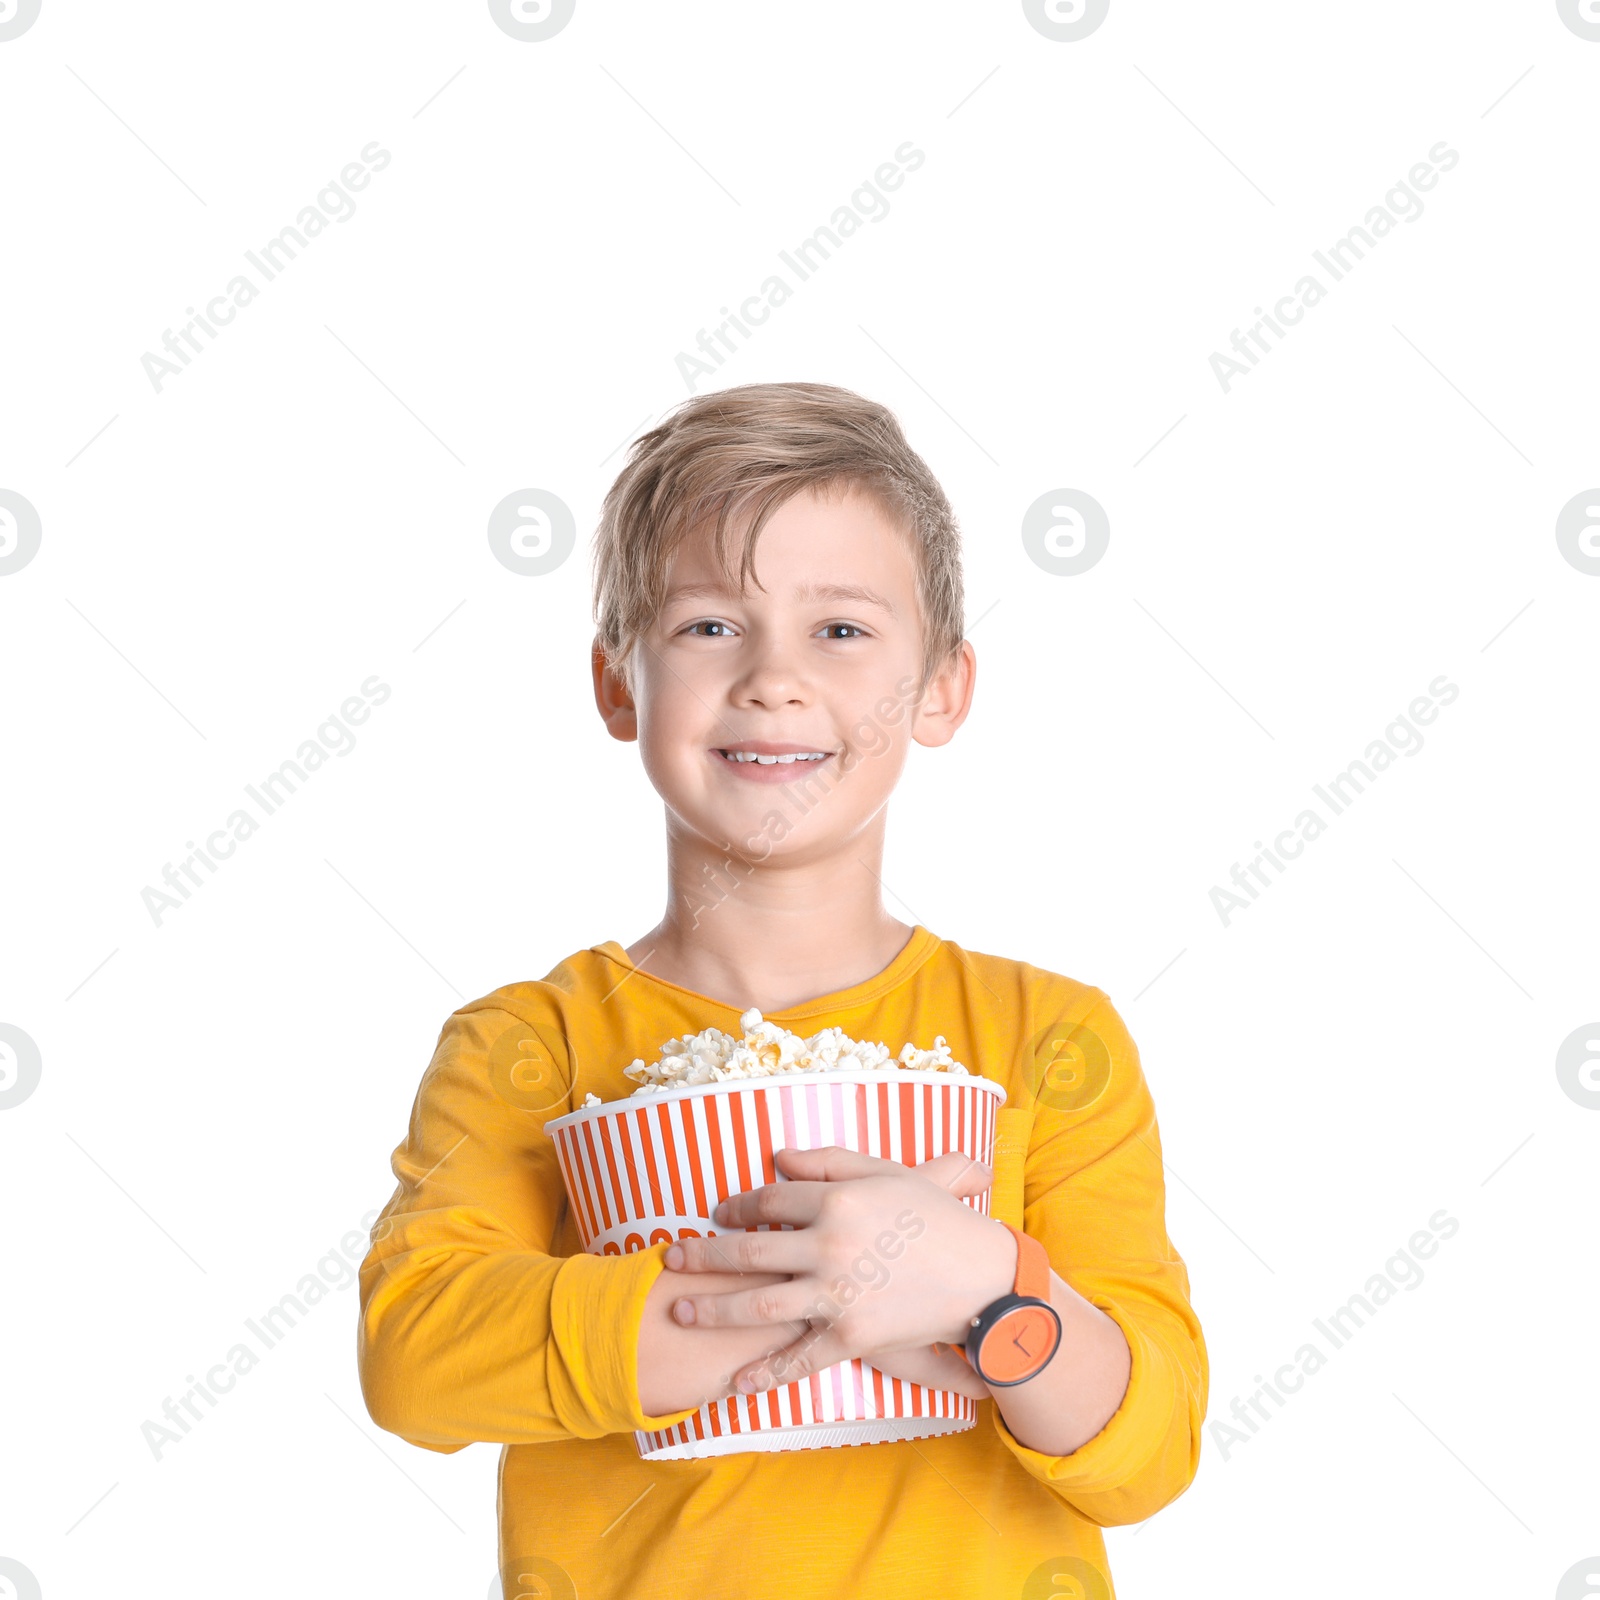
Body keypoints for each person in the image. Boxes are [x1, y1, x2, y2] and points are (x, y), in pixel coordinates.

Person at [356, 381, 1207, 1599]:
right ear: (616, 683)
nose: (772, 678)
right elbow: (417, 1356)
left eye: (841, 631)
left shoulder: (1046, 1037)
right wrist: (822, 1291)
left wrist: (986, 1289)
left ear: (943, 689)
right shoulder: (526, 1044)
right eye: (708, 626)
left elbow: (1148, 1446)